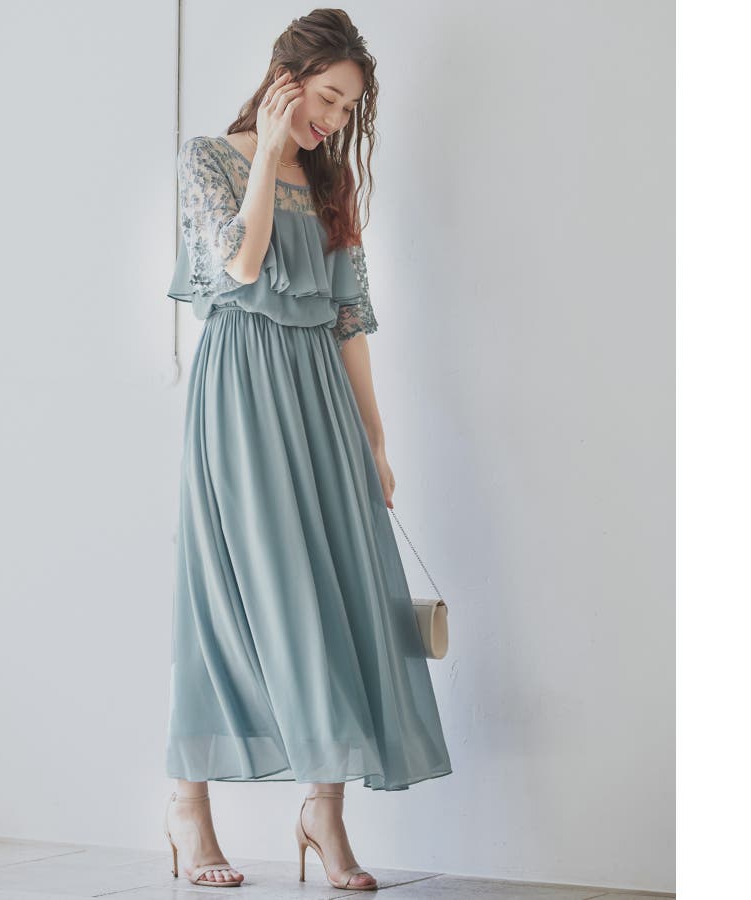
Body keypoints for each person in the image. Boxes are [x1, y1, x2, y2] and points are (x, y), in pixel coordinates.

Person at [162, 9, 453, 891]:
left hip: (320, 395)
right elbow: (241, 267)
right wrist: (268, 155)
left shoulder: (332, 185)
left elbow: (349, 319)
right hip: (240, 393)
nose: (333, 120)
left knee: (338, 589)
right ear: (284, 80)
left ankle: (323, 812)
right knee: (233, 593)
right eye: (325, 97)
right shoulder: (208, 159)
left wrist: (376, 436)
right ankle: (188, 809)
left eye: (347, 108)